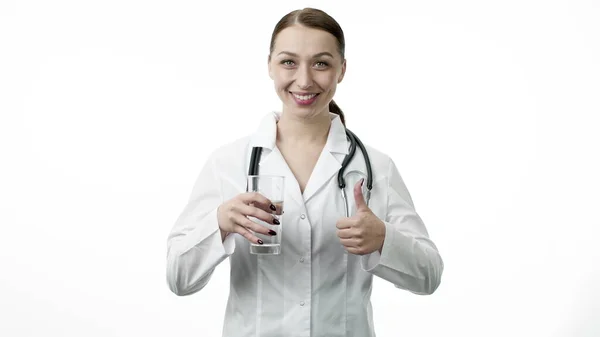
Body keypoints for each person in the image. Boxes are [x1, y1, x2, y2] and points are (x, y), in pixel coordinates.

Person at [166, 7, 443, 337]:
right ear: (270, 65)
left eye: (321, 63)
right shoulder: (228, 163)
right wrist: (220, 224)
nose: (304, 79)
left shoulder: (375, 167)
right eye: (289, 62)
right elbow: (178, 278)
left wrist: (383, 238)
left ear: (342, 70)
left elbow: (429, 276)